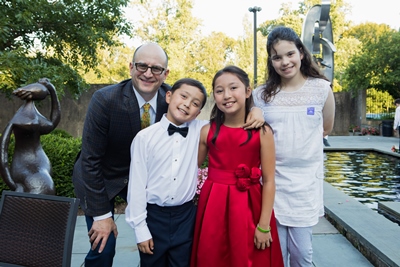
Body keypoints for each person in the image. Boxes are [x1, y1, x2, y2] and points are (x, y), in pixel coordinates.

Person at [72, 42, 171, 267]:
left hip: (143, 181)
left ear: (165, 74)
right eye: (142, 66)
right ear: (130, 67)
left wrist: (253, 108)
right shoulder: (105, 100)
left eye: (156, 68)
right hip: (101, 177)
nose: (148, 73)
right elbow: (90, 161)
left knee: (157, 240)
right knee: (103, 246)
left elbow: (209, 119)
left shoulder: (173, 100)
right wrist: (102, 216)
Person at [253, 26, 335, 267]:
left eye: (289, 54)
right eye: (277, 57)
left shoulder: (321, 89)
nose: (284, 62)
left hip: (305, 186)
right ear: (271, 61)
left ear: (301, 52)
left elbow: (325, 128)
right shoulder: (261, 96)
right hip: (271, 185)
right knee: (274, 254)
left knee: (302, 255)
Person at [191, 66, 284, 267]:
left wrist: (264, 225)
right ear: (214, 95)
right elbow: (191, 169)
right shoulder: (207, 131)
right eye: (219, 90)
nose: (227, 95)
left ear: (248, 91)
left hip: (250, 205)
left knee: (250, 256)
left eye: (233, 88)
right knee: (212, 256)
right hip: (213, 206)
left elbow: (269, 181)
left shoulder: (263, 132)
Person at [125, 78, 208, 267]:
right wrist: (141, 230)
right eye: (183, 96)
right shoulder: (144, 138)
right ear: (169, 96)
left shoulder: (200, 130)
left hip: (186, 217)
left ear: (198, 113)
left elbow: (231, 117)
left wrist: (256, 110)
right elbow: (136, 186)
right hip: (154, 218)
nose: (187, 104)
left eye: (195, 103)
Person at [0, 78, 61, 195]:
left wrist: (52, 90)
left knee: (45, 188)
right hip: (23, 166)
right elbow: (3, 153)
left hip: (41, 165)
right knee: (42, 188)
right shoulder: (19, 120)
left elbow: (53, 122)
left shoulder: (34, 117)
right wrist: (11, 183)